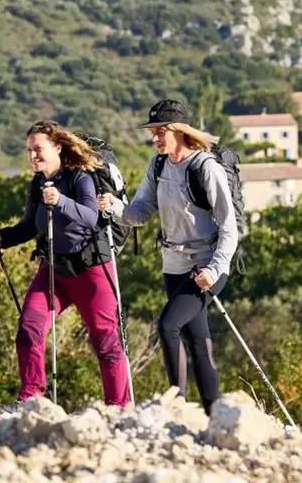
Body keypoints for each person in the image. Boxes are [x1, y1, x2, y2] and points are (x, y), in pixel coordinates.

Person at [98, 98, 239, 413]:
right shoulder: (158, 165)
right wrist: (114, 206)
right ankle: (213, 415)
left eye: (160, 131)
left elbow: (229, 228)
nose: (155, 138)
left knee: (167, 325)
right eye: (153, 132)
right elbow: (140, 212)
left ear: (180, 131)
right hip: (173, 265)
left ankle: (177, 404)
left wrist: (214, 270)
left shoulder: (205, 167)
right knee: (197, 341)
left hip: (206, 266)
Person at [0, 121, 131, 407]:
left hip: (92, 269)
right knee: (29, 326)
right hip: (54, 270)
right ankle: (31, 400)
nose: (32, 156)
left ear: (57, 147)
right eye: (29, 151)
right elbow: (30, 226)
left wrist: (61, 201)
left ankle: (118, 408)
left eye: (38, 149)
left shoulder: (80, 178)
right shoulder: (37, 185)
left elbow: (90, 217)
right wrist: (3, 238)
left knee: (105, 340)